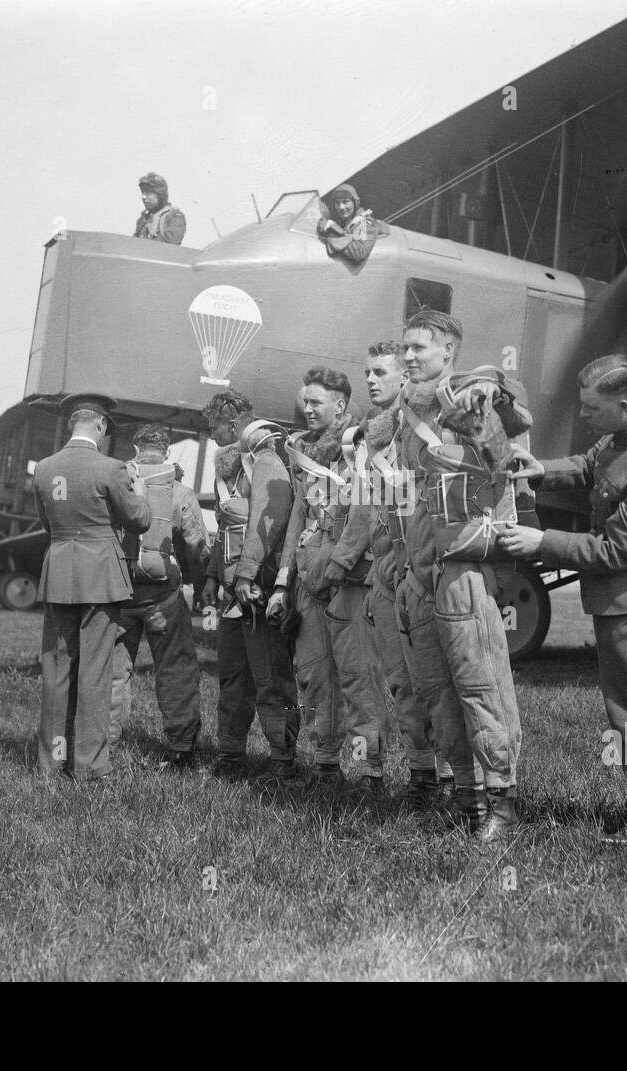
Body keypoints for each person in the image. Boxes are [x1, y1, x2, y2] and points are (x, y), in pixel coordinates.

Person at [498, 353, 627, 847]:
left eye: (591, 409)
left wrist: (544, 543)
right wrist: (543, 470)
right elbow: (590, 466)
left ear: (624, 405)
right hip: (623, 600)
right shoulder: (624, 434)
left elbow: (619, 550)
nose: (582, 416)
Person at [396, 310, 530, 841]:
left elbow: (513, 410)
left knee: (481, 687)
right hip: (419, 572)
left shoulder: (469, 396)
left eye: (420, 348)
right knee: (437, 693)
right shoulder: (408, 411)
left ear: (448, 351)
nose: (408, 357)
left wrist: (486, 388)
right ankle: (467, 798)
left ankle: (502, 802)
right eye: (405, 348)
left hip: (463, 574)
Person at [267, 367, 379, 795]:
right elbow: (299, 515)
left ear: (341, 405)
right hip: (306, 581)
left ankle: (369, 773)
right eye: (305, 401)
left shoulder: (360, 448)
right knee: (312, 676)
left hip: (347, 580)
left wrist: (339, 564)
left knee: (357, 679)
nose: (307, 408)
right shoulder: (301, 451)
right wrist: (282, 581)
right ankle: (326, 764)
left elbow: (365, 512)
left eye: (316, 402)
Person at [32, 393, 151, 781]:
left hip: (60, 572)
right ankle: (89, 766)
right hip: (100, 576)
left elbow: (48, 526)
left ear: (72, 424)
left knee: (57, 668)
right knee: (96, 671)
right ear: (100, 426)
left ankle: (52, 764)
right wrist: (142, 494)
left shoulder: (44, 469)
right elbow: (138, 521)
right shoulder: (111, 468)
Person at [353, 341, 445, 805]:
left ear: (404, 380)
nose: (371, 381)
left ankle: (452, 777)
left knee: (432, 681)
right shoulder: (370, 438)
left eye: (381, 373)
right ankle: (421, 774)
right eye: (367, 372)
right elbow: (372, 514)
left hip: (421, 571)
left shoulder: (422, 432)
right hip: (386, 574)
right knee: (398, 681)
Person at [200, 390, 299, 783]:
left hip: (255, 591)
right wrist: (212, 575)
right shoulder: (233, 470)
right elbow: (227, 529)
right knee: (233, 680)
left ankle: (283, 763)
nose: (214, 436)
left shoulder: (268, 460)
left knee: (272, 680)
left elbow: (270, 519)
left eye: (217, 428)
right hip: (232, 596)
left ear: (235, 420)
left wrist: (246, 574)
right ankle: (230, 757)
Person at [113, 423, 210, 770]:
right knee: (175, 670)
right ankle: (182, 749)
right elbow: (198, 547)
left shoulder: (116, 483)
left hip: (119, 595)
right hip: (163, 597)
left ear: (136, 449)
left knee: (114, 672)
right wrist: (201, 589)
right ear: (167, 451)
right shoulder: (180, 492)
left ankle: (106, 746)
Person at [316, 183, 388, 264]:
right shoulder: (345, 222)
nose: (341, 207)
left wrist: (333, 233)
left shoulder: (365, 222)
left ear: (355, 202)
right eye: (337, 203)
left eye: (345, 202)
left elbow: (360, 252)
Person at [134, 172, 187, 245]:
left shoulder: (174, 217)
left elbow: (170, 248)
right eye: (143, 192)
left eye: (148, 192)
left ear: (160, 194)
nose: (143, 197)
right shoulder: (143, 219)